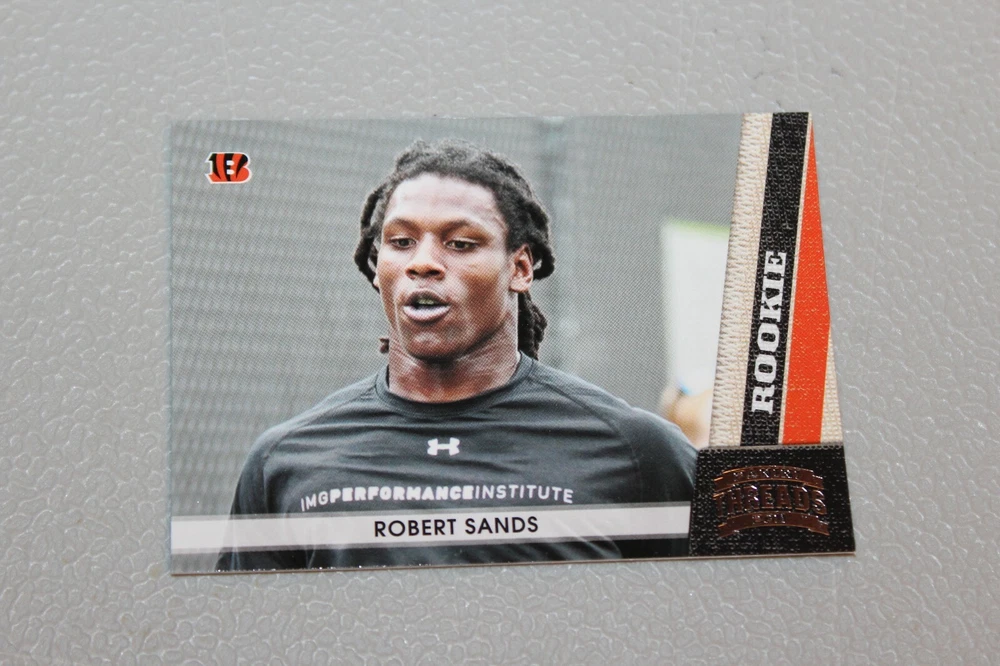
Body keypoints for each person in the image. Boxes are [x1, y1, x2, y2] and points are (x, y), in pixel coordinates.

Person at [216, 140, 696, 571]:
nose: (423, 262)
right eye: (401, 242)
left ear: (520, 268)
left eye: (460, 243)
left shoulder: (636, 454)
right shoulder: (289, 462)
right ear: (378, 265)